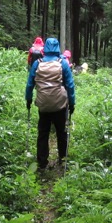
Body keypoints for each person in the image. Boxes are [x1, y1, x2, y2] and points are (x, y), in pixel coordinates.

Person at [25, 37, 75, 169]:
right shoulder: (63, 63)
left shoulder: (37, 63)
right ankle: (62, 159)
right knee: (61, 132)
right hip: (60, 104)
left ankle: (42, 162)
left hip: (43, 104)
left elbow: (30, 84)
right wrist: (72, 103)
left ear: (45, 48)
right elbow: (70, 85)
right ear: (58, 47)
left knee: (43, 133)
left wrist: (28, 99)